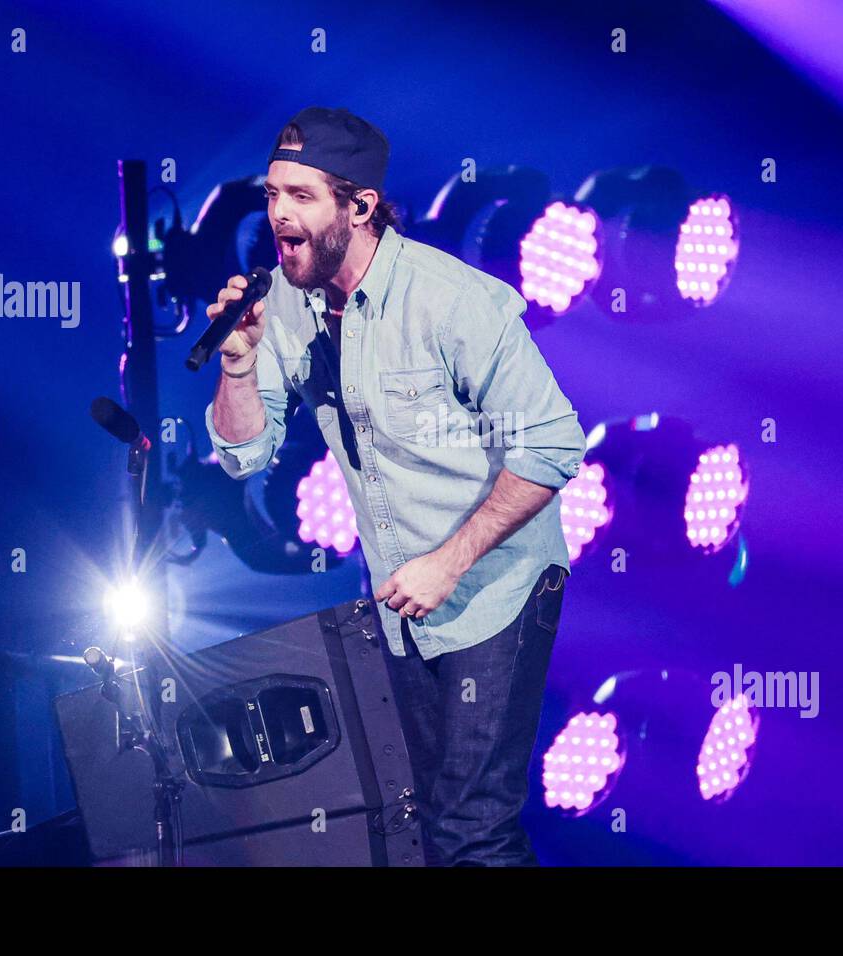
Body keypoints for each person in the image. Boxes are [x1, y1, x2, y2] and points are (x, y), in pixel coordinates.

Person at [204, 106, 586, 865]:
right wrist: (240, 362)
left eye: (302, 196)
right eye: (273, 194)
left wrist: (450, 562)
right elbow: (244, 456)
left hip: (496, 583)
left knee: (471, 825)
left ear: (360, 205)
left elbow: (550, 444)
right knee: (423, 815)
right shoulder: (281, 301)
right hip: (402, 595)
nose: (279, 213)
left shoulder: (454, 302)